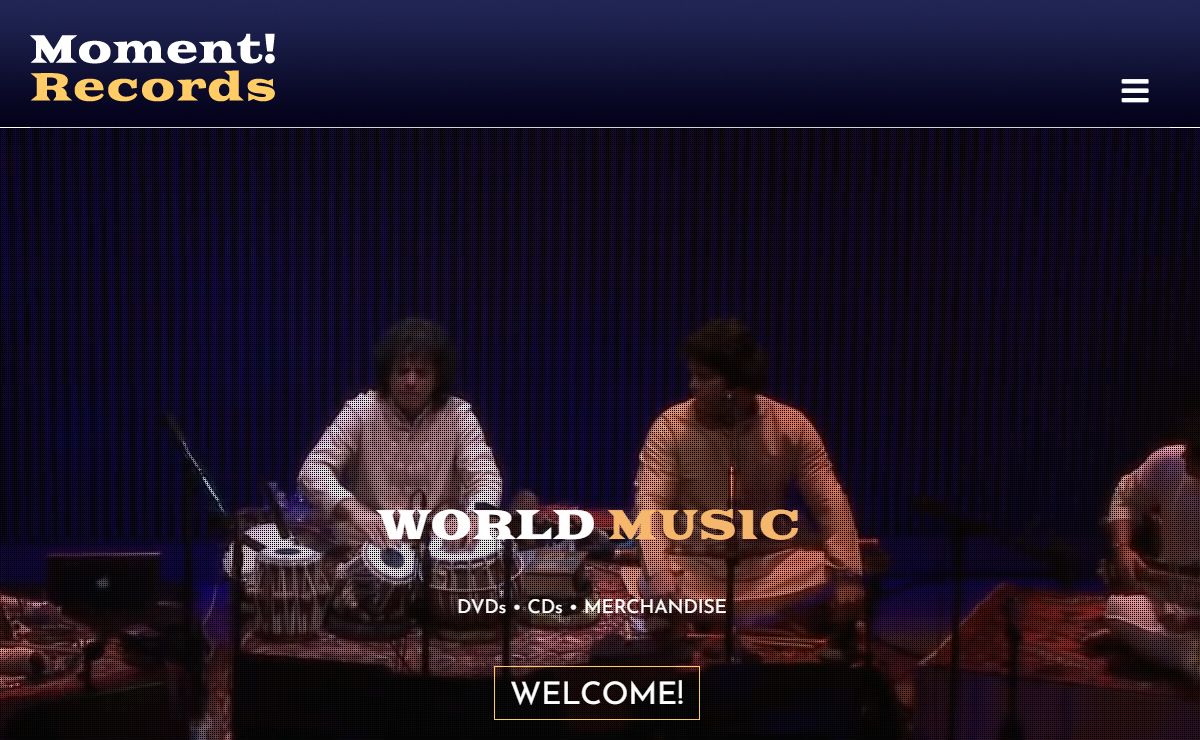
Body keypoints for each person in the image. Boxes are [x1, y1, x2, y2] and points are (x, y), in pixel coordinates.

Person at [636, 318, 865, 628]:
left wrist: (848, 572)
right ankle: (751, 617)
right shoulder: (670, 427)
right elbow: (651, 504)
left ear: (737, 387)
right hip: (696, 566)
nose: (693, 386)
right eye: (692, 376)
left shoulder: (791, 425)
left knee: (837, 572)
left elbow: (829, 501)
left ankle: (726, 618)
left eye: (704, 378)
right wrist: (658, 572)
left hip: (770, 568)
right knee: (642, 580)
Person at [298, 318, 502, 547]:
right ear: (388, 375)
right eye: (402, 371)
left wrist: (474, 516)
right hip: (372, 546)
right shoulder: (362, 410)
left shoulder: (457, 415)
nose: (410, 381)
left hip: (439, 546)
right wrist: (354, 510)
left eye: (421, 373)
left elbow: (487, 479)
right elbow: (313, 470)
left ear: (437, 379)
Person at [1104, 419, 1200, 680]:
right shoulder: (1171, 461)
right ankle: (1184, 655)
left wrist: (1191, 623)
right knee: (1117, 608)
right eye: (1188, 449)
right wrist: (1123, 548)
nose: (1185, 457)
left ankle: (1173, 653)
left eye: (1194, 454)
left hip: (1190, 618)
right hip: (1176, 599)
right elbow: (1126, 498)